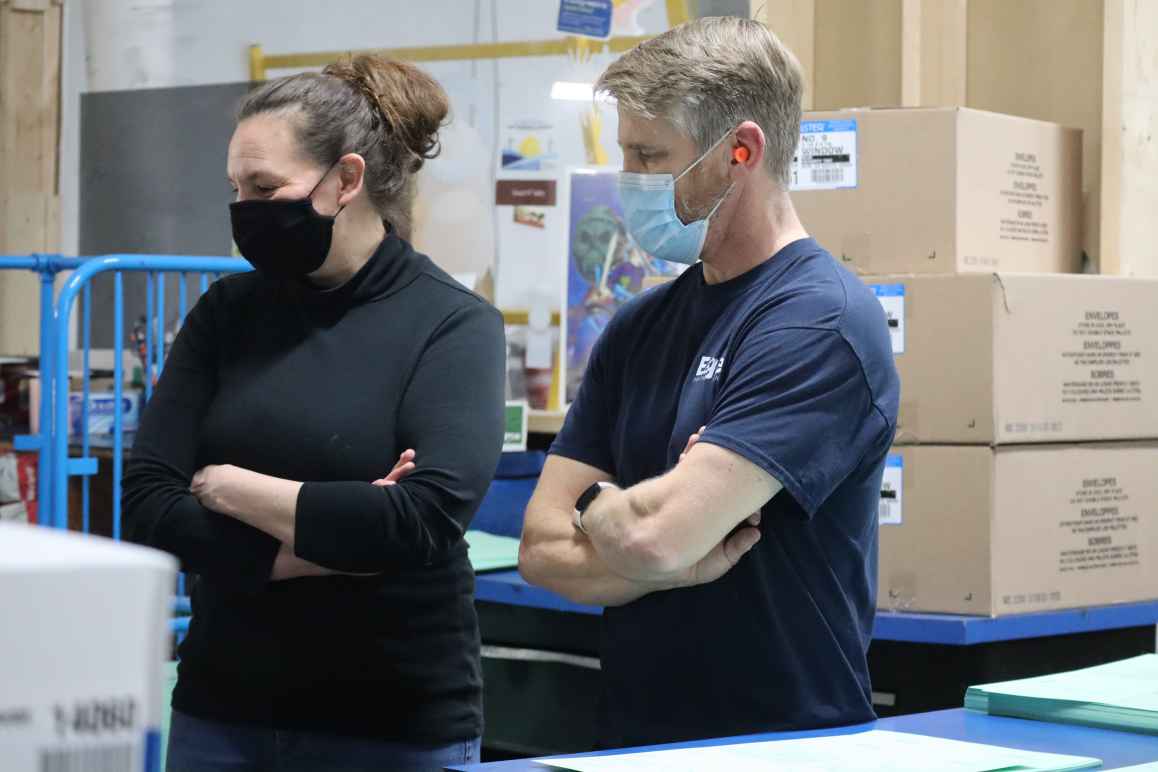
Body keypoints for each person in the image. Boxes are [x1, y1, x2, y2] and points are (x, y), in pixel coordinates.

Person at [518, 16, 901, 748]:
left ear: (740, 153)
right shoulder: (638, 328)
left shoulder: (818, 325)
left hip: (784, 745)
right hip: (633, 740)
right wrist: (671, 549)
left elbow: (657, 538)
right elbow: (541, 549)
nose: (627, 178)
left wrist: (597, 504)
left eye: (649, 155)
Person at [123, 54, 505, 771]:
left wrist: (227, 487)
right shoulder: (226, 316)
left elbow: (420, 521)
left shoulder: (451, 325)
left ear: (347, 181)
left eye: (266, 186)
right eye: (235, 187)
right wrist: (334, 542)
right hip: (221, 712)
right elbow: (146, 504)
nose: (244, 209)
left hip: (392, 726)